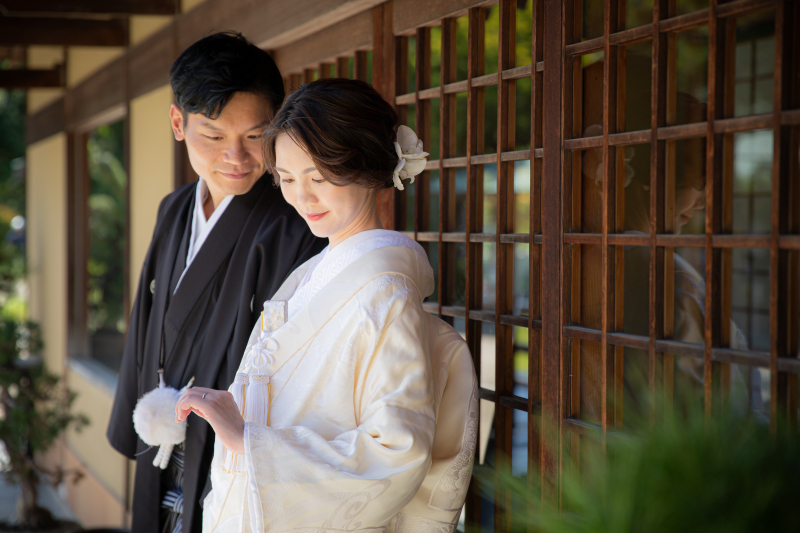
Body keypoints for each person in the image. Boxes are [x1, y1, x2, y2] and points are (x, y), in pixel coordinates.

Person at [175, 78, 478, 532]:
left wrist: (249, 441)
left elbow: (397, 450)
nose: (303, 197)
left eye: (319, 177)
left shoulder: (384, 293)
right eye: (290, 179)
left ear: (373, 169)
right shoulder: (313, 274)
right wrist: (241, 409)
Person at [106, 33, 326, 533]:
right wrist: (136, 415)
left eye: (255, 135)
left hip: (231, 443)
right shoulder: (175, 208)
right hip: (164, 429)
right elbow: (148, 325)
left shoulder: (294, 221)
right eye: (214, 136)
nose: (237, 156)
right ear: (178, 123)